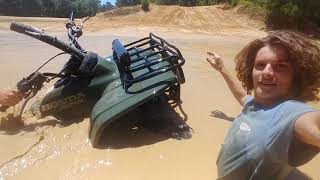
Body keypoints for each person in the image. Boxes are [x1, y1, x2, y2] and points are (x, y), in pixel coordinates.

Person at [206, 30, 320, 179]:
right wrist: (221, 68)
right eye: (260, 65)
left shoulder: (291, 113)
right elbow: (242, 96)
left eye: (281, 66)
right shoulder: (255, 105)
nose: (266, 72)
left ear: (297, 75)